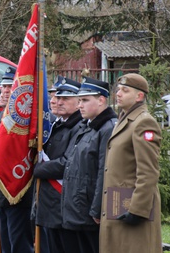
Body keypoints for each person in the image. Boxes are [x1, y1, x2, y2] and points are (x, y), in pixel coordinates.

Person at [99, 73, 162, 253]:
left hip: (132, 209)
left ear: (139, 96)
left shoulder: (144, 123)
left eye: (125, 91)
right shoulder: (125, 119)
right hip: (117, 206)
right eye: (118, 90)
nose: (118, 94)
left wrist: (137, 210)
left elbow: (148, 172)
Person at [61, 77, 117, 253]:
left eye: (85, 100)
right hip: (77, 208)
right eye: (79, 101)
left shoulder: (107, 128)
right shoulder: (86, 126)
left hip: (88, 212)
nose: (80, 106)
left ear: (101, 100)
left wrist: (97, 209)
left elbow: (104, 171)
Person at [0, 66, 35, 253]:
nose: (6, 91)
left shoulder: (25, 119)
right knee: (5, 244)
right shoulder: (0, 118)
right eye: (4, 87)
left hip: (17, 190)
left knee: (19, 246)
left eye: (11, 87)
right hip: (0, 190)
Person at [32, 77, 83, 253]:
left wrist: (36, 169)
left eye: (65, 99)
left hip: (65, 204)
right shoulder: (56, 124)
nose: (57, 102)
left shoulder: (79, 127)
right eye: (56, 97)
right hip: (51, 205)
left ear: (79, 102)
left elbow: (66, 164)